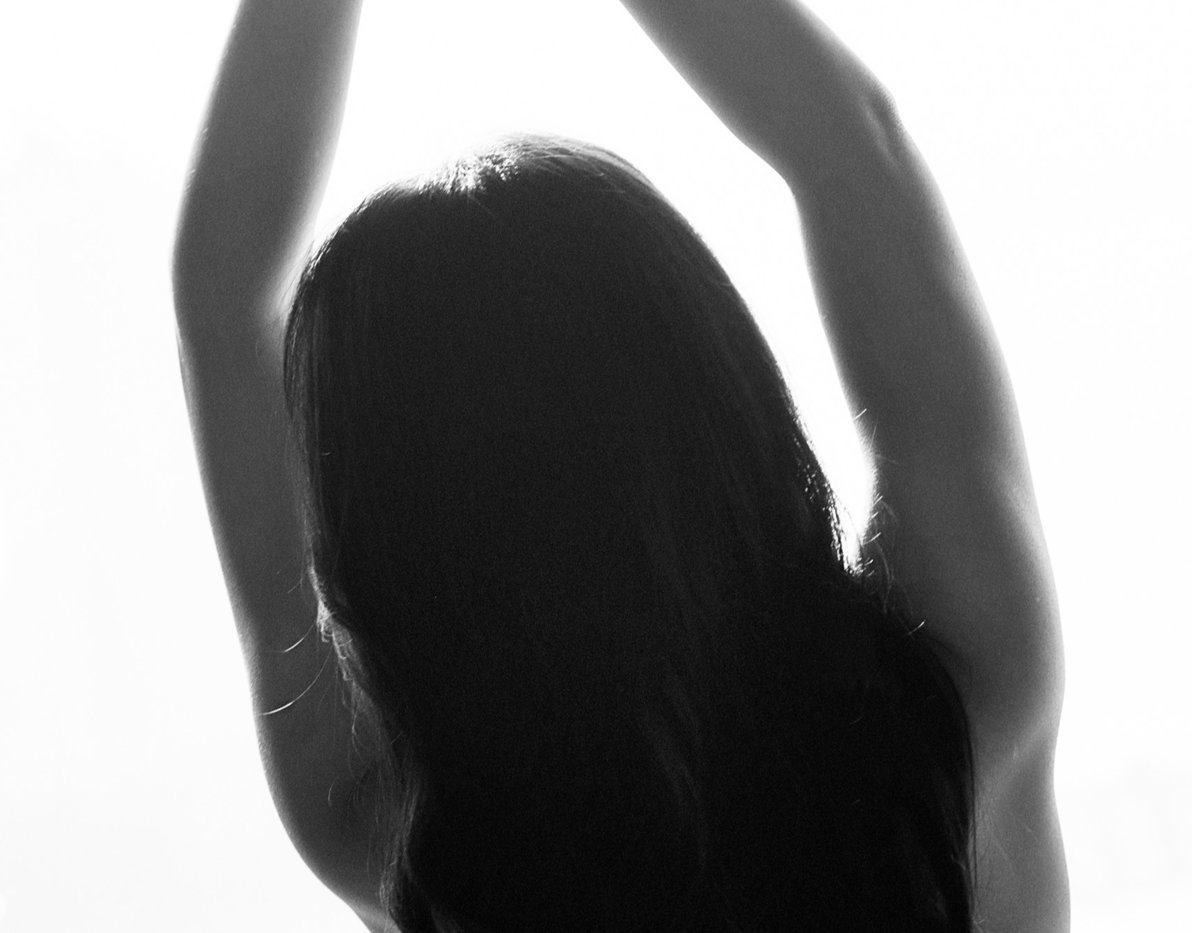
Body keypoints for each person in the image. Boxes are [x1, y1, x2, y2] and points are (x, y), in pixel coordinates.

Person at [171, 1, 1068, 931]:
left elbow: (223, 297)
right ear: (715, 379)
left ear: (377, 539)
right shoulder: (959, 694)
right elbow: (851, 148)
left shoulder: (395, 831)